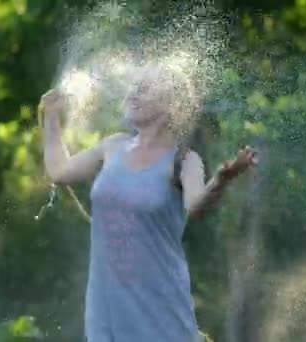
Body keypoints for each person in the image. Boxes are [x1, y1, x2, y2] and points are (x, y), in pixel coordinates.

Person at [40, 64, 257, 342]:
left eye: (143, 89)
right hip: (105, 310)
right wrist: (52, 116)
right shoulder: (113, 146)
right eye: (133, 86)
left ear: (171, 105)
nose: (132, 93)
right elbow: (59, 171)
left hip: (160, 313)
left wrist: (222, 179)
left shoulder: (185, 160)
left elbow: (197, 206)